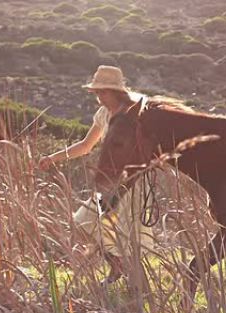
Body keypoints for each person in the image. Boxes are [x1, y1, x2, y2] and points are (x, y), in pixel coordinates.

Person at [39, 65, 154, 284]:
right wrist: (53, 158)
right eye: (97, 91)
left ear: (116, 91)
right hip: (109, 183)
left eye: (103, 91)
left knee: (128, 238)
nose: (99, 96)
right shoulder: (103, 115)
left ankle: (140, 290)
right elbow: (85, 146)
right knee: (82, 222)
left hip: (133, 182)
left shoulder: (135, 113)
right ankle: (117, 266)